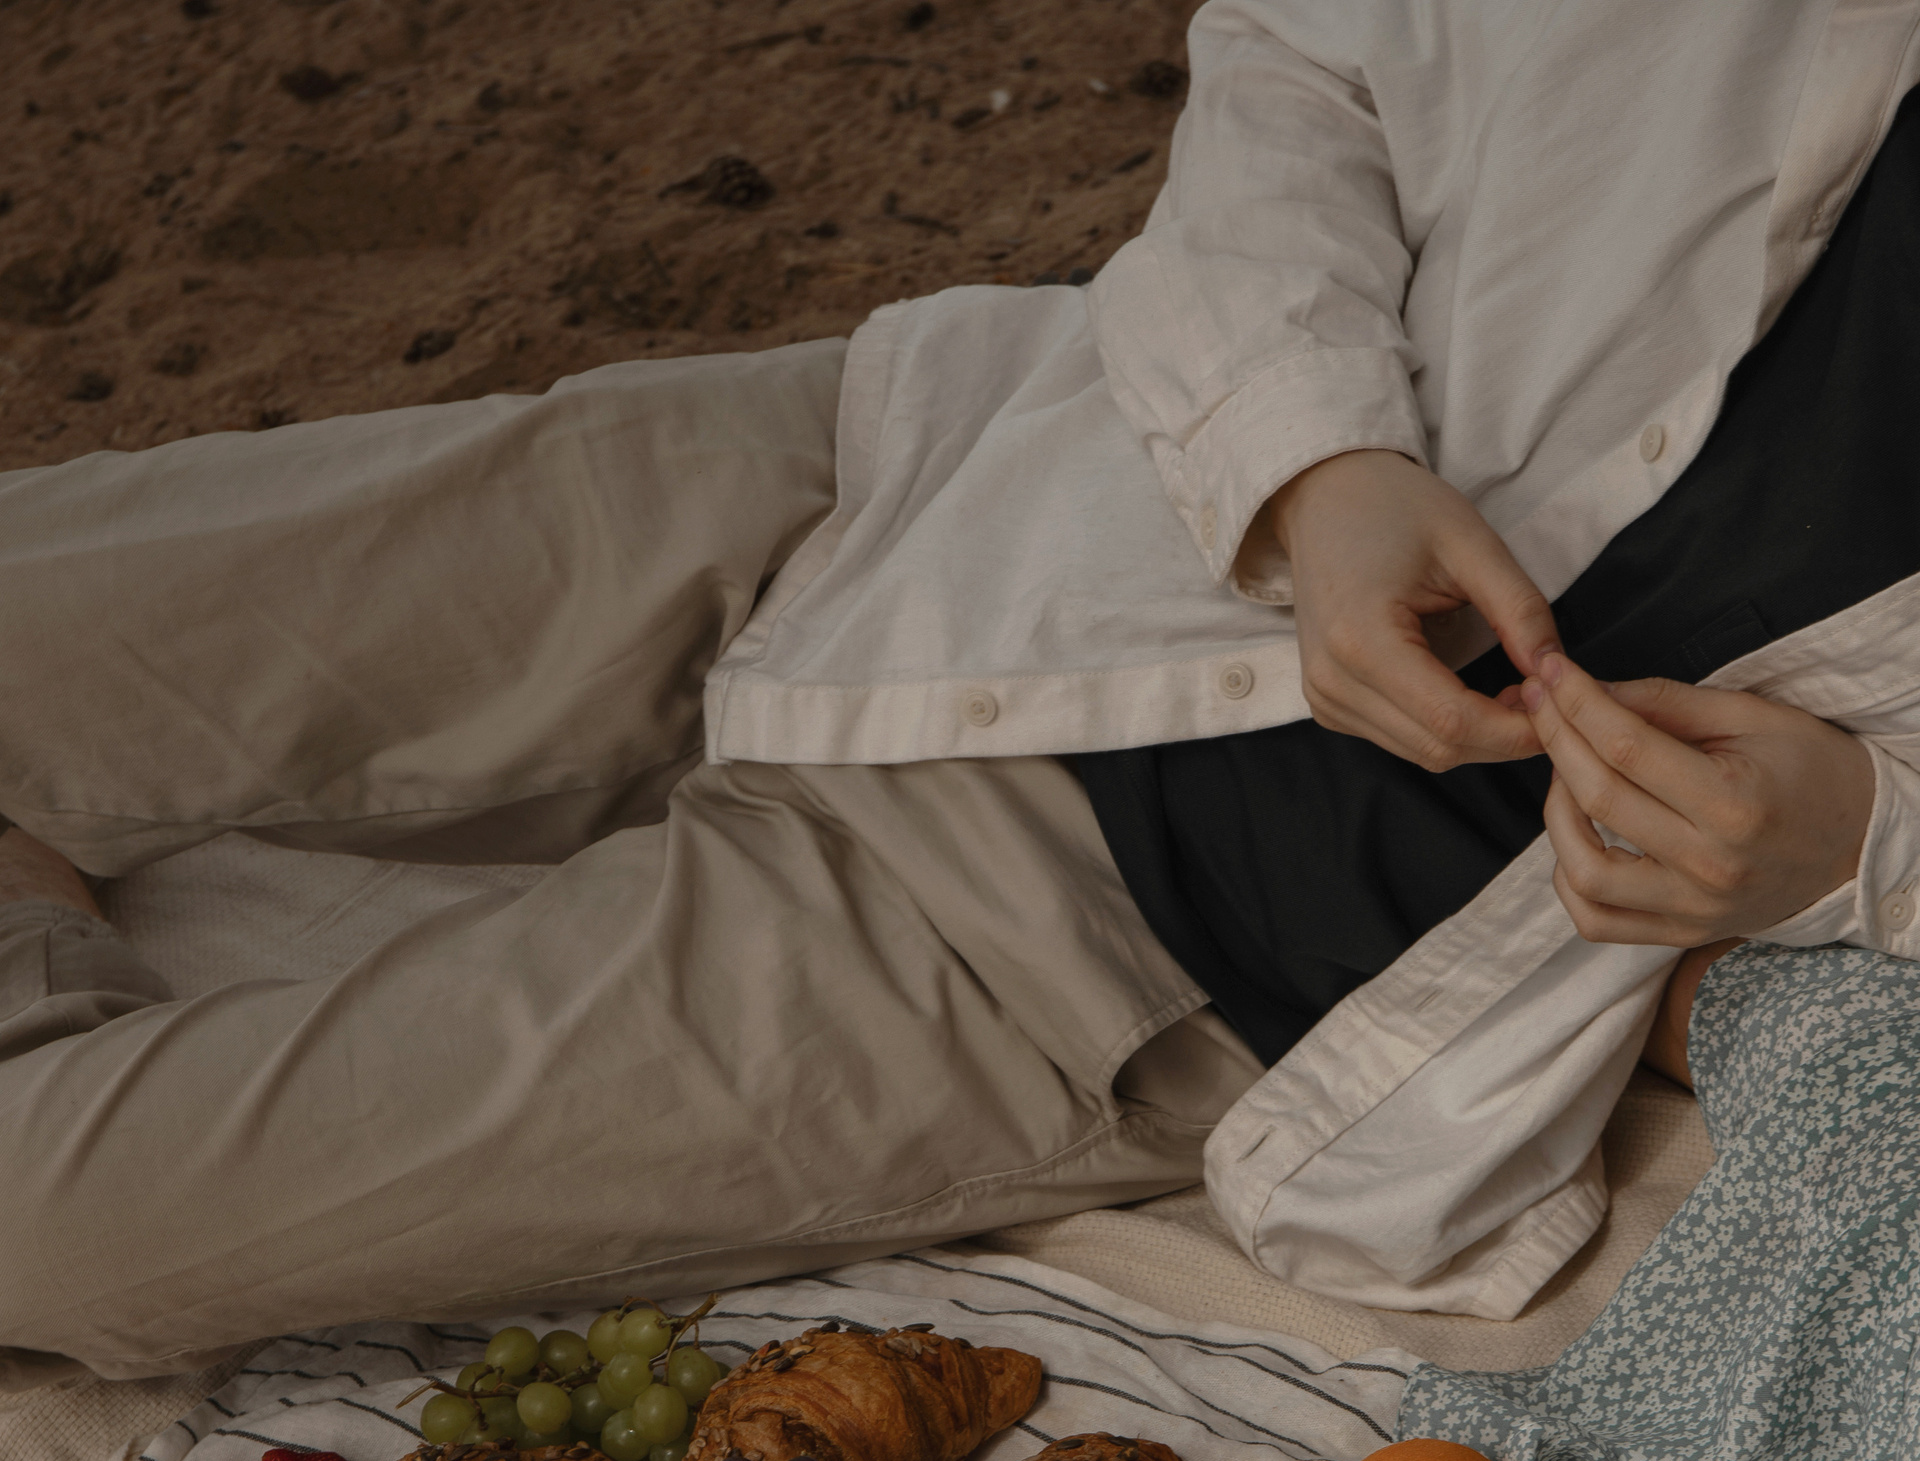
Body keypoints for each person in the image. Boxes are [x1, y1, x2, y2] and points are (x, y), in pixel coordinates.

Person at [2, 0, 1915, 1379]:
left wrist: (1854, 843)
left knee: (53, 1230)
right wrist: (1313, 461)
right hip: (972, 487)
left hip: (1076, 957)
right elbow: (1309, 49)